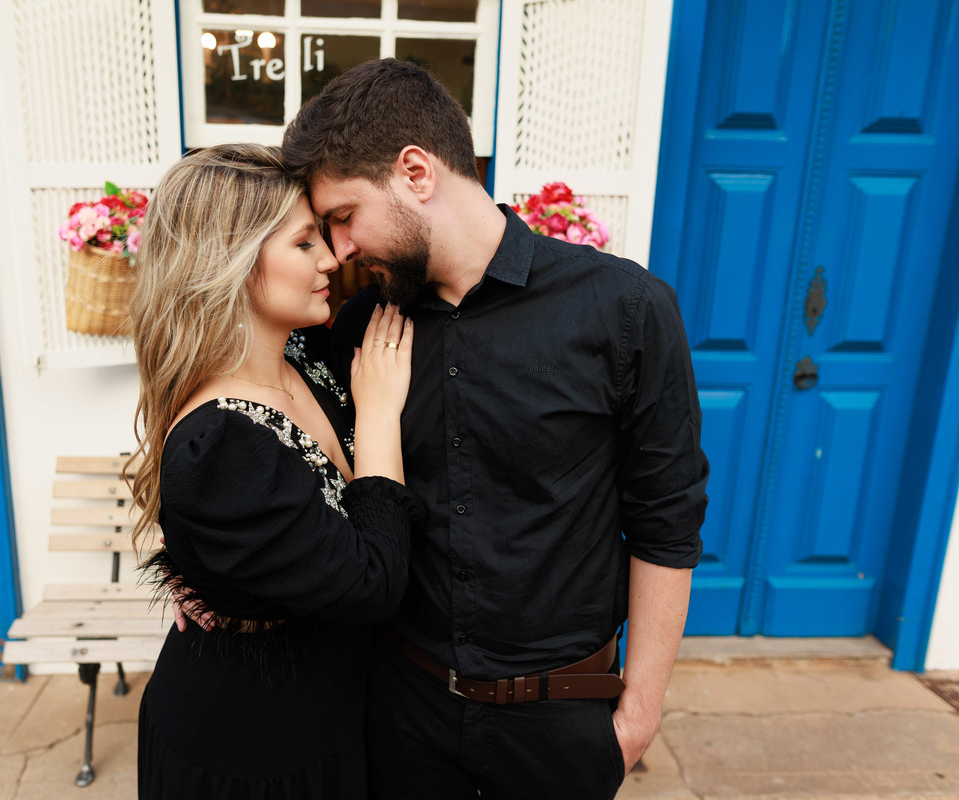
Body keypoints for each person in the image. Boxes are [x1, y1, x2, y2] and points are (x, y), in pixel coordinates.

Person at [281, 59, 709, 799]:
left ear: (416, 172)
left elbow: (666, 521)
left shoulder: (626, 309)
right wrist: (203, 564)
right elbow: (266, 421)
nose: (340, 249)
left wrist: (638, 713)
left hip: (561, 721)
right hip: (402, 709)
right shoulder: (362, 325)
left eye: (344, 216)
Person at [126, 143, 423, 799]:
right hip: (252, 751)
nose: (331, 259)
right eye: (304, 242)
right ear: (230, 261)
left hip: (332, 717)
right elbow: (372, 584)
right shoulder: (217, 441)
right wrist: (379, 414)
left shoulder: (307, 353)